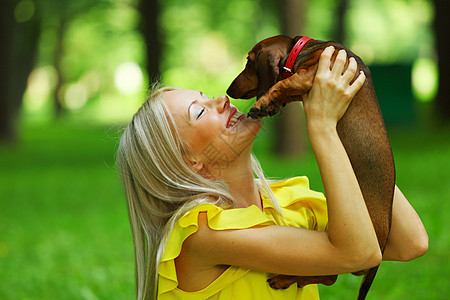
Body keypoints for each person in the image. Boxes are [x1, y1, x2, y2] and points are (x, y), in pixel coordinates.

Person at [117, 46, 428, 300]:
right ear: (190, 162)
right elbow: (358, 253)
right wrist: (322, 127)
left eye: (206, 95)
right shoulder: (200, 234)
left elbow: (408, 242)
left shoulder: (286, 202)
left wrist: (349, 119)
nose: (221, 99)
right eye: (199, 111)